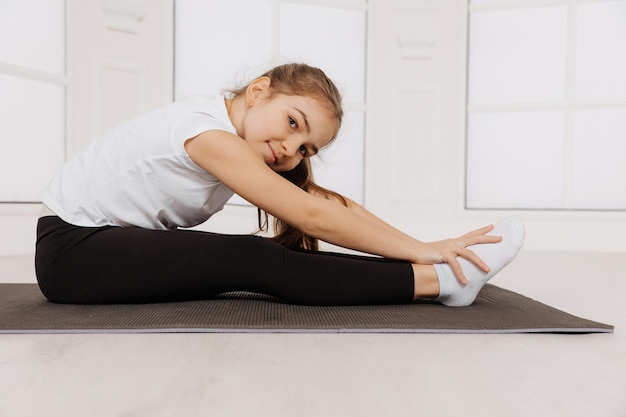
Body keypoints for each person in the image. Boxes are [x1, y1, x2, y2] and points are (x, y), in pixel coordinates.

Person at [35, 63, 524, 307]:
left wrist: (428, 246)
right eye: (293, 123)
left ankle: (438, 277)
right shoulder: (208, 133)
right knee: (255, 258)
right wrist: (425, 252)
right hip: (73, 250)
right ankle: (435, 284)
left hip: (95, 245)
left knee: (263, 255)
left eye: (306, 147)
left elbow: (329, 205)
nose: (292, 150)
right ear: (259, 90)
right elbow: (311, 217)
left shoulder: (243, 143)